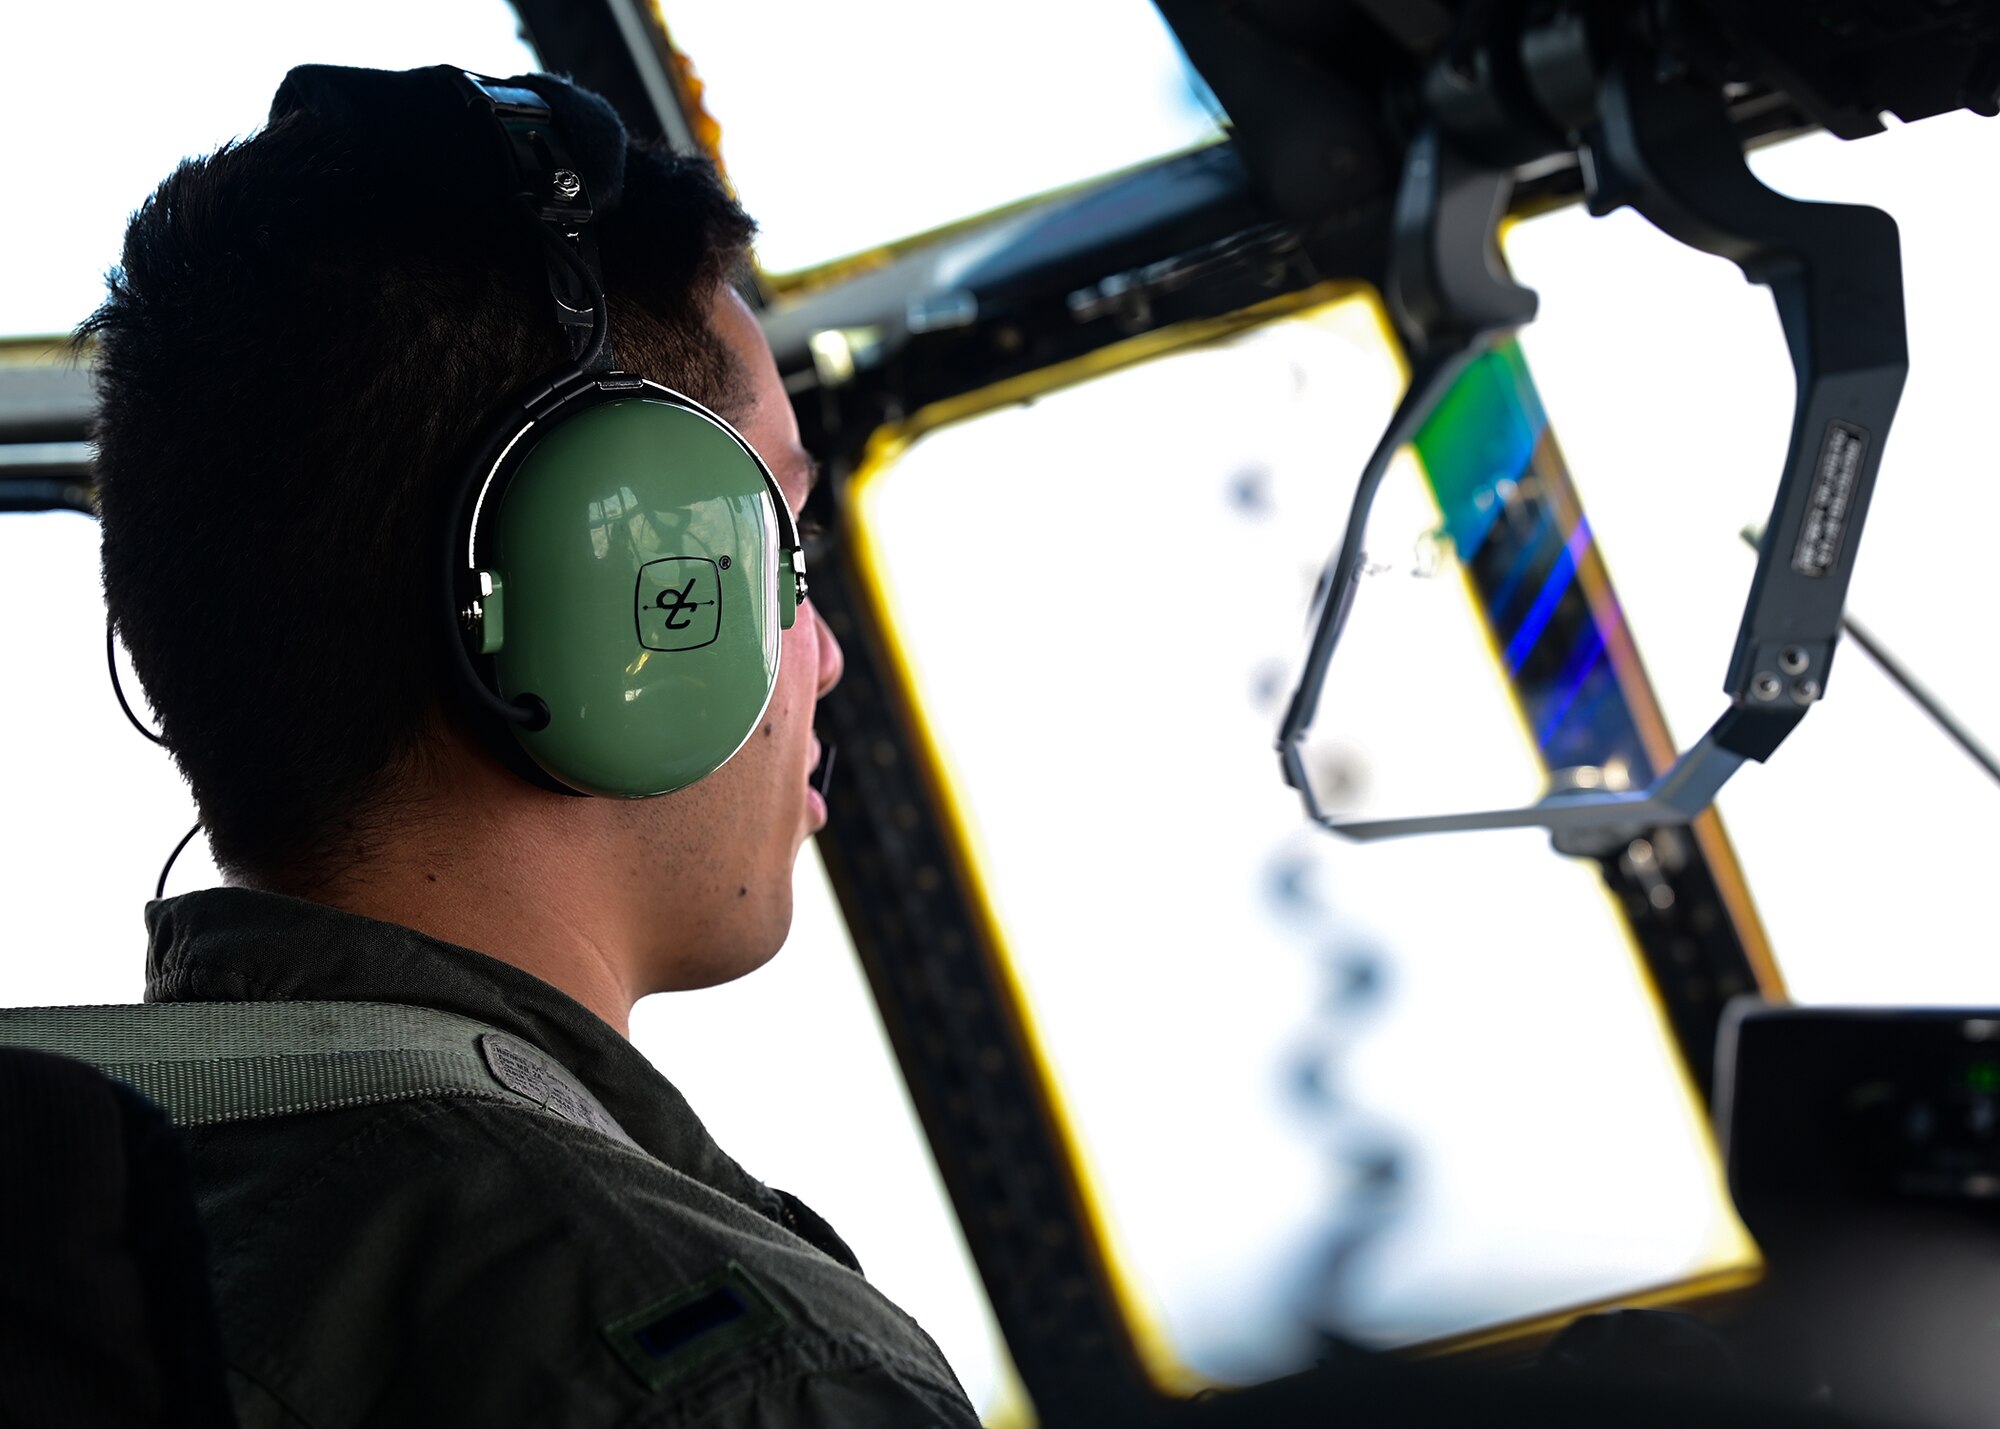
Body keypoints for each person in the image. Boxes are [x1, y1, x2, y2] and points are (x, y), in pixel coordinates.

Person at [83, 62, 979, 1428]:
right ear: (596, 587)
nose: (826, 653)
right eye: (776, 546)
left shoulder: (94, 1221)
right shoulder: (733, 1378)